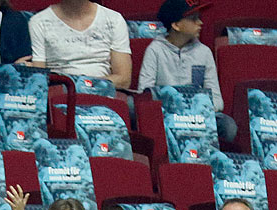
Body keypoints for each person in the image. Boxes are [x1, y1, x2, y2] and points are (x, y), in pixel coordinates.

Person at [138, 0, 235, 142]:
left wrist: (198, 109)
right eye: (193, 19)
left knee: (228, 125)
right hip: (165, 112)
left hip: (198, 116)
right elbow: (144, 91)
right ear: (176, 25)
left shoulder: (204, 52)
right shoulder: (155, 50)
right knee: (131, 108)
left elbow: (217, 100)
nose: (200, 23)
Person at [28, 0, 131, 87]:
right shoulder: (38, 22)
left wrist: (86, 86)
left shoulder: (114, 19)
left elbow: (124, 79)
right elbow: (39, 77)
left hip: (104, 91)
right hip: (61, 91)